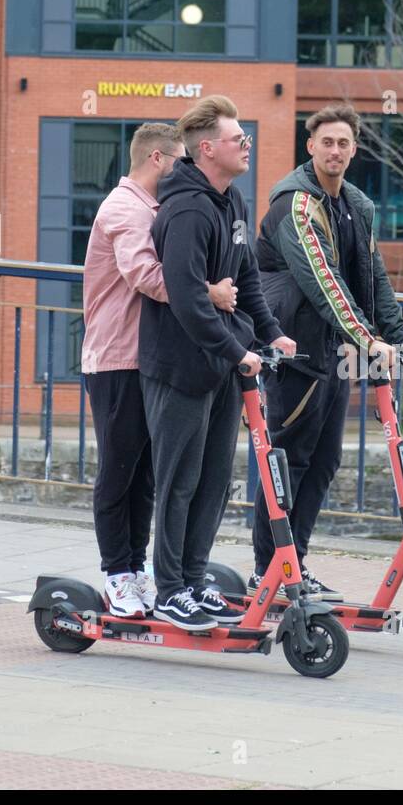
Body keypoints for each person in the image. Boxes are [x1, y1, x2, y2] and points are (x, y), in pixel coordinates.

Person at [251, 103, 403, 601]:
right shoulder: (295, 204)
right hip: (293, 349)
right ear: (310, 146)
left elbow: (372, 279)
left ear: (354, 150)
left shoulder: (356, 204)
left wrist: (397, 337)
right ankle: (268, 569)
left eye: (344, 143)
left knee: (324, 459)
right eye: (327, 142)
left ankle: (295, 565)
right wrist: (367, 339)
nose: (335, 150)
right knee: (288, 459)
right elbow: (322, 281)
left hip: (332, 351)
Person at [139, 95, 296, 630]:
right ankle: (169, 590)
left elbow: (246, 277)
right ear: (207, 149)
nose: (247, 146)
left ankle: (195, 577)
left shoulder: (232, 202)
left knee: (212, 479)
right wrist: (239, 350)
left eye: (246, 138)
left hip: (226, 364)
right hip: (181, 366)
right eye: (238, 139)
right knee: (178, 479)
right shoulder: (186, 209)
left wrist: (272, 333)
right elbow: (184, 298)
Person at [81, 123, 238, 619]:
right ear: (156, 158)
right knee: (119, 470)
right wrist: (207, 292)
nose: (184, 170)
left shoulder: (156, 208)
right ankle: (117, 574)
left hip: (147, 359)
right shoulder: (124, 209)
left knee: (148, 473)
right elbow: (146, 277)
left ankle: (139, 569)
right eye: (178, 162)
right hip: (117, 358)